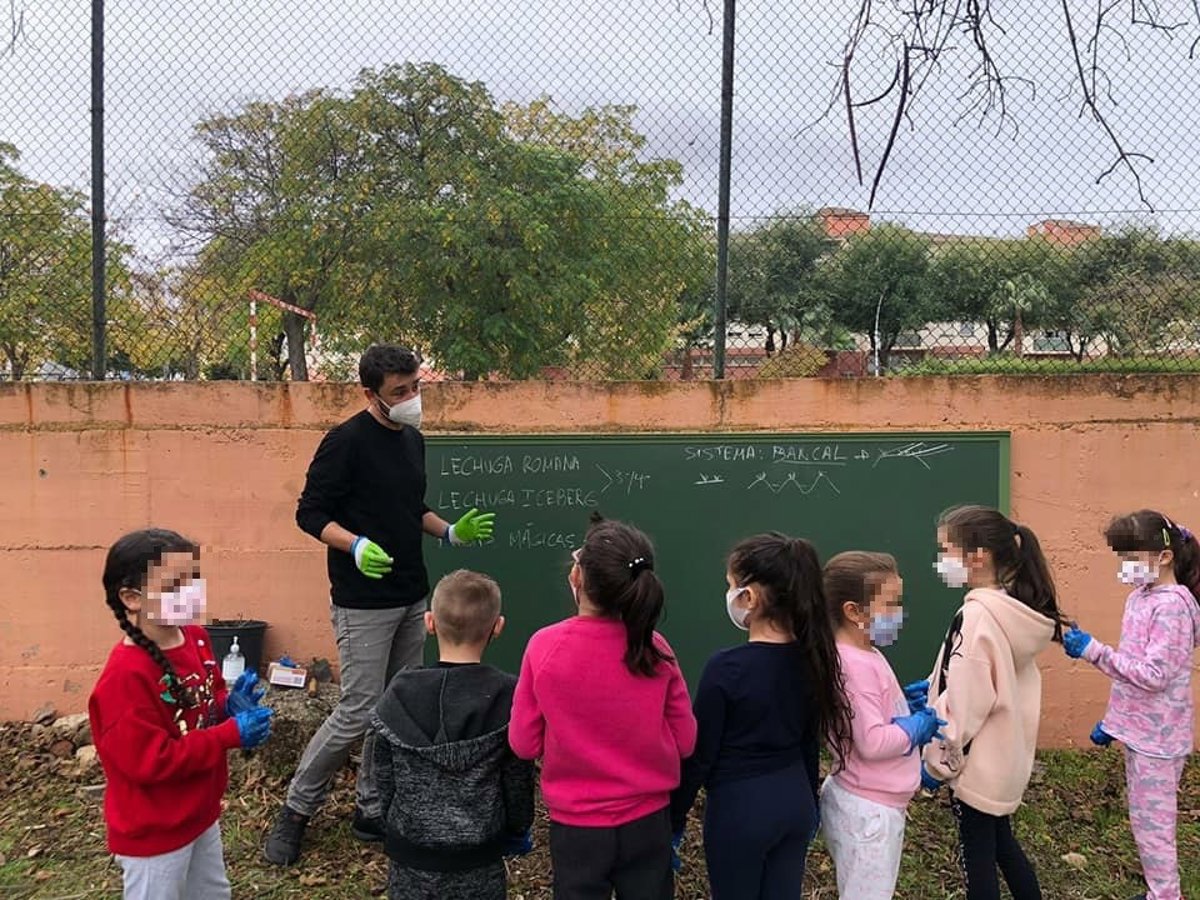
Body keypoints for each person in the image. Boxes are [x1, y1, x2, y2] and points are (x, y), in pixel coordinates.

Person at [265, 344, 497, 866]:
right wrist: (355, 545)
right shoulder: (344, 442)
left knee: (393, 710)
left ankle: (370, 808)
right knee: (357, 710)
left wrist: (450, 532)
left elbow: (411, 508)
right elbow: (310, 514)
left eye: (416, 386)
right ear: (371, 393)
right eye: (400, 391)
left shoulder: (413, 440)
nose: (412, 398)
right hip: (362, 600)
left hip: (412, 593)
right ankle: (296, 810)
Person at [509, 517, 697, 900]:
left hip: (577, 828)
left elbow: (524, 744)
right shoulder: (655, 649)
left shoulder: (545, 647)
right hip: (648, 822)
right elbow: (686, 741)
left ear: (577, 577)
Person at [89, 529, 274, 899]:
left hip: (199, 811)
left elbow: (207, 695)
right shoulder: (124, 678)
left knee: (212, 894)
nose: (190, 592)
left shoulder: (194, 637)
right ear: (131, 598)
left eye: (193, 579)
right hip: (154, 830)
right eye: (175, 585)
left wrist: (227, 705)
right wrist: (228, 735)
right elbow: (151, 761)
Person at [670, 532, 854, 900]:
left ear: (750, 598)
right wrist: (809, 802)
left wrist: (673, 819)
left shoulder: (726, 668)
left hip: (741, 810)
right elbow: (808, 743)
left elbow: (700, 754)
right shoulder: (814, 659)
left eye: (731, 586)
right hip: (795, 803)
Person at [922, 505, 1067, 900]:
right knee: (1003, 846)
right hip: (1004, 762)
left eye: (946, 551)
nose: (941, 561)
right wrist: (935, 687)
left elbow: (968, 701)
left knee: (978, 864)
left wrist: (937, 762)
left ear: (978, 557)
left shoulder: (976, 617)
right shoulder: (1014, 612)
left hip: (975, 766)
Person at [369, 569, 535, 900]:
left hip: (411, 858)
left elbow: (382, 776)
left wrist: (389, 822)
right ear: (497, 627)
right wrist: (518, 827)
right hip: (480, 860)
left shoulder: (398, 695)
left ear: (429, 623)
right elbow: (517, 779)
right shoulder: (508, 698)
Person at [1062, 510, 1200, 900]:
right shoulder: (1141, 597)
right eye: (1122, 558)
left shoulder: (1172, 607)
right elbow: (1132, 673)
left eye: (1132, 558)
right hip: (1141, 733)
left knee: (1155, 830)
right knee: (1143, 823)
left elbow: (1154, 675)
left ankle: (1166, 896)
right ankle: (1160, 892)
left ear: (1165, 556)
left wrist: (1094, 651)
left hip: (1160, 740)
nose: (1125, 567)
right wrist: (1115, 722)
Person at [819, 551, 945, 900]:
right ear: (853, 611)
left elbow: (865, 717)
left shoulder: (863, 653)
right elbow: (871, 741)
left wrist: (901, 706)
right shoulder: (855, 665)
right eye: (889, 604)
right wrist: (914, 727)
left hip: (865, 801)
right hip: (869, 814)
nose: (897, 613)